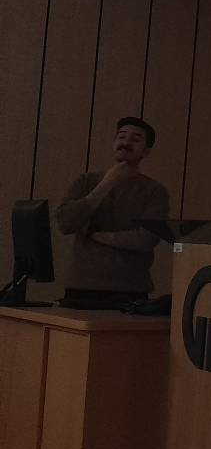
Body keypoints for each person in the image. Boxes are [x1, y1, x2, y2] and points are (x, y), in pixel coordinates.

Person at [54, 117, 170, 307]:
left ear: (146, 151)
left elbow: (145, 239)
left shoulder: (155, 191)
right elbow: (65, 223)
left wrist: (95, 235)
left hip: (129, 290)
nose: (126, 142)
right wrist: (106, 184)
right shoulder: (86, 181)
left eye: (135, 139)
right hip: (80, 286)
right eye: (121, 136)